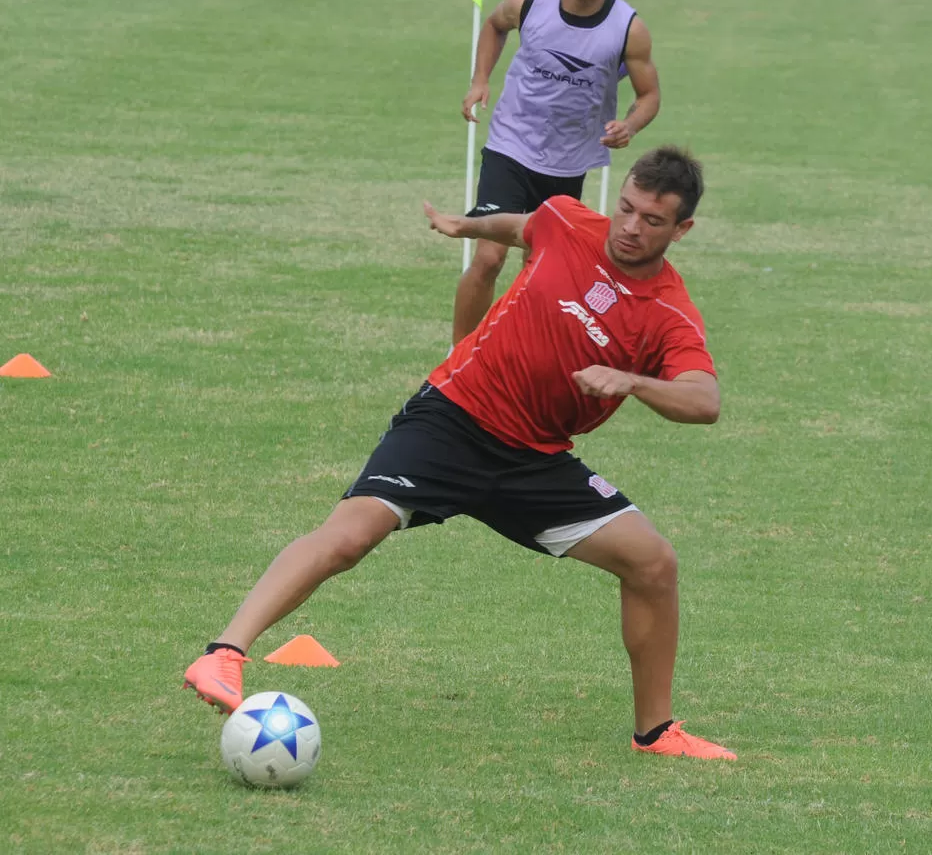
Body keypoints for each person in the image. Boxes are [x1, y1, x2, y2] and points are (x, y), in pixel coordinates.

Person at [183, 145, 736, 761]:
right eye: (627, 209)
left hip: (534, 458)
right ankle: (222, 656)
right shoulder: (567, 220)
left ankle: (656, 734)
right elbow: (520, 225)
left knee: (653, 562)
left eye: (652, 221)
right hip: (453, 417)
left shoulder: (668, 313)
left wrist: (634, 381)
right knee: (347, 537)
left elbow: (704, 399)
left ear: (682, 229)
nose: (630, 228)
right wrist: (465, 225)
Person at [452, 0, 661, 345]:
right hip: (510, 145)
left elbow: (650, 95)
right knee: (490, 256)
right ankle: (456, 358)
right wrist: (480, 80)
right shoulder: (528, 2)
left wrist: (630, 126)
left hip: (568, 160)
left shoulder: (627, 28)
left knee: (542, 270)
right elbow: (494, 26)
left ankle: (520, 354)